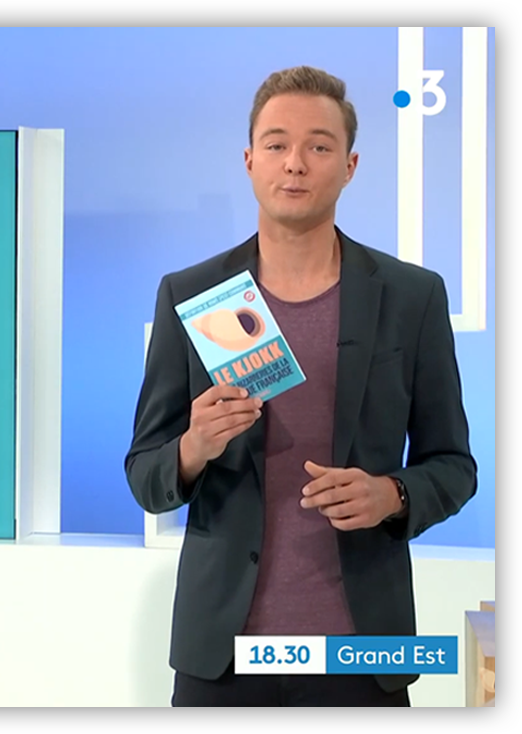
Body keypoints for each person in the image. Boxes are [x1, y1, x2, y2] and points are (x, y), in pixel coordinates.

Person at [125, 65, 478, 707]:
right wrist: (194, 447)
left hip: (362, 654)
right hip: (222, 655)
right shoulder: (191, 294)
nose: (295, 163)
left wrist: (392, 494)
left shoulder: (413, 297)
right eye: (277, 144)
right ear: (249, 160)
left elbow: (454, 466)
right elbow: (145, 474)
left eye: (319, 146)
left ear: (350, 166)